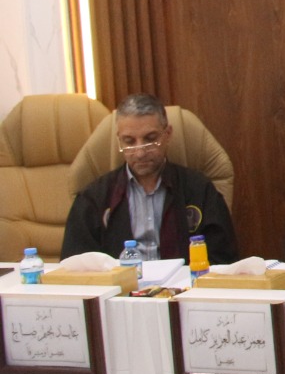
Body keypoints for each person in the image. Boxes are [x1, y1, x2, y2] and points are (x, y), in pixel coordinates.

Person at [62, 93, 239, 263]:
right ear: (119, 140)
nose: (140, 152)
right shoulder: (94, 198)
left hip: (185, 282)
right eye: (129, 141)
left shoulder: (200, 190)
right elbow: (77, 267)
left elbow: (223, 261)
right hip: (122, 284)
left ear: (167, 134)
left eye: (150, 139)